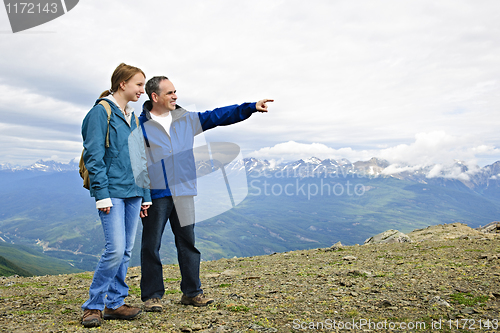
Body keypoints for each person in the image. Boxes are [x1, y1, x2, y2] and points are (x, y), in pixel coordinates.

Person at [139, 76, 273, 312]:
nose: (175, 96)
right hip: (156, 193)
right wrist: (141, 195)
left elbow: (218, 115)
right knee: (151, 245)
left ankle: (192, 293)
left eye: (176, 92)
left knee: (188, 243)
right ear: (155, 97)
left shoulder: (187, 120)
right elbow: (135, 163)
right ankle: (152, 296)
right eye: (170, 93)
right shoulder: (139, 125)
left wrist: (250, 107)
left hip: (184, 191)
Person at [80, 63, 152, 328]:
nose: (142, 91)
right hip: (111, 192)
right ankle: (93, 305)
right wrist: (101, 194)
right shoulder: (100, 113)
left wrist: (145, 195)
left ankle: (115, 303)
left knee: (125, 252)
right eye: (139, 85)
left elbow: (140, 157)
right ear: (123, 84)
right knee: (115, 250)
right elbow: (94, 157)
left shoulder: (132, 116)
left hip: (133, 193)